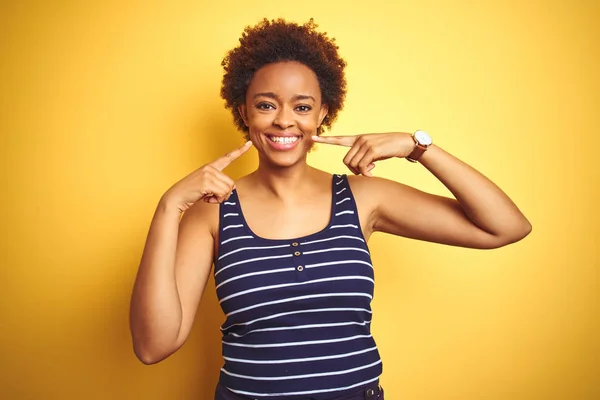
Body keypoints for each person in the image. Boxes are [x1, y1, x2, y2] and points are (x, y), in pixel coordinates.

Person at [129, 18, 531, 400]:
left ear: (323, 113)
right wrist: (168, 207)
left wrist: (418, 147)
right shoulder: (213, 212)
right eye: (267, 105)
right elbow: (153, 346)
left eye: (302, 107)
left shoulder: (364, 198)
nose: (285, 121)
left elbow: (506, 227)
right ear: (243, 112)